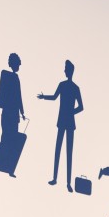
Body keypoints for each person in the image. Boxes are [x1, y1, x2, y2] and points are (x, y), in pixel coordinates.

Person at [38, 59, 84, 191]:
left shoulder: (71, 87)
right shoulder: (68, 86)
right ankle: (56, 179)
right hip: (65, 121)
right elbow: (54, 97)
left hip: (66, 121)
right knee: (61, 150)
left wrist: (70, 112)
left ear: (69, 71)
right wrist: (44, 97)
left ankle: (66, 182)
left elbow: (81, 107)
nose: (64, 71)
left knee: (66, 151)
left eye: (65, 69)